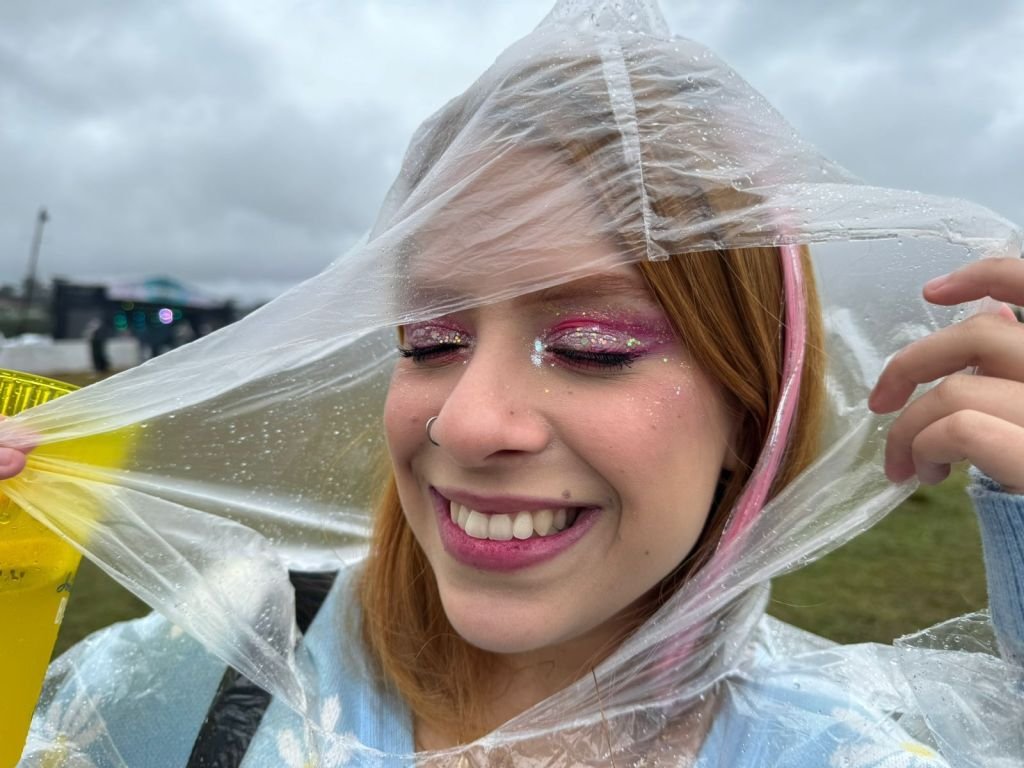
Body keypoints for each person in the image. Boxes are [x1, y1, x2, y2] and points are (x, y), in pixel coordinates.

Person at [5, 2, 1024, 765]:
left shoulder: (835, 750)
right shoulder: (190, 682)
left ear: (747, 410)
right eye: (430, 337)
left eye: (589, 344)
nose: (467, 418)